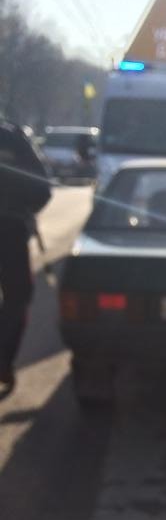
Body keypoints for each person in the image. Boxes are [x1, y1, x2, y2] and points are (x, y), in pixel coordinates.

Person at [0, 120, 51, 397]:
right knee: (18, 297)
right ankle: (3, 361)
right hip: (9, 230)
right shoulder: (12, 139)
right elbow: (42, 190)